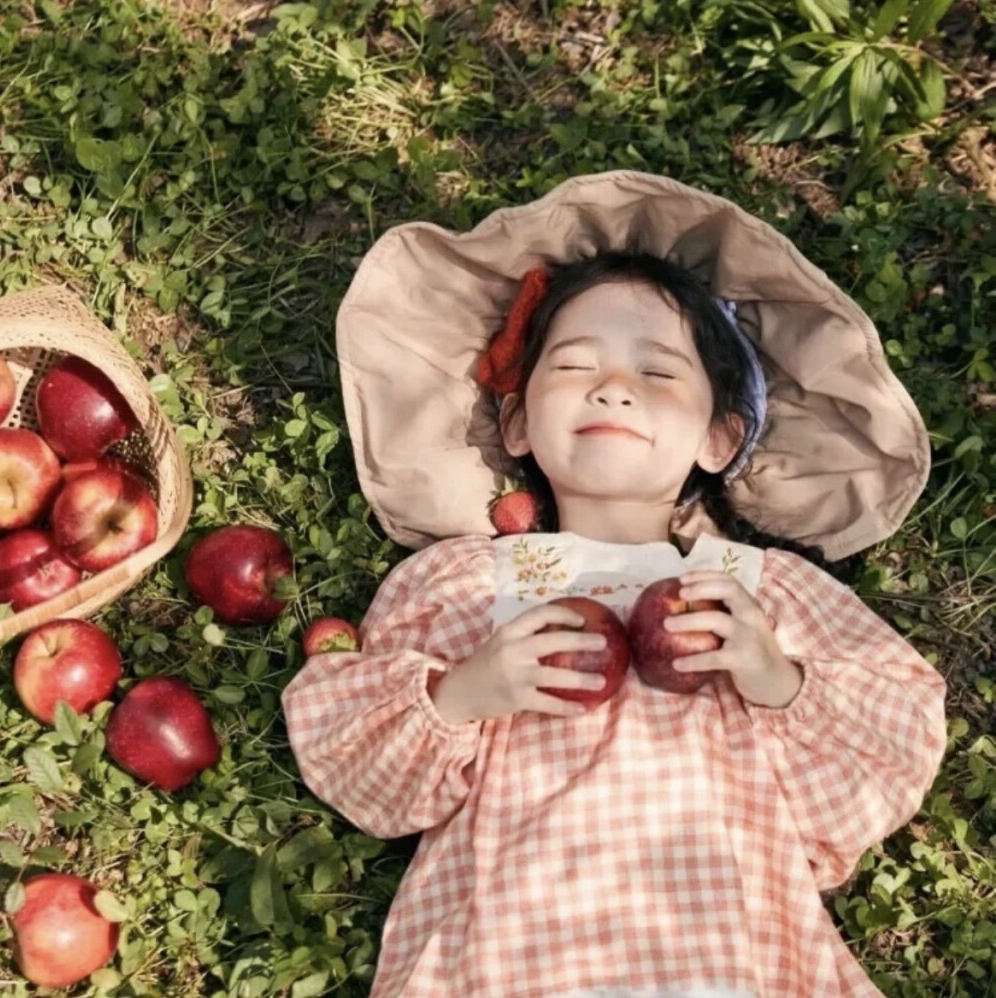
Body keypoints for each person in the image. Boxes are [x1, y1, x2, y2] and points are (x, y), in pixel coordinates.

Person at [281, 172, 948, 998]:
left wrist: (776, 678)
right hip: (507, 957)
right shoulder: (464, 580)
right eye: (573, 366)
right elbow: (361, 766)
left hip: (732, 961)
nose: (614, 386)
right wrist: (465, 690)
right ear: (520, 423)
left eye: (659, 374)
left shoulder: (761, 593)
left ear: (717, 438)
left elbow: (888, 751)